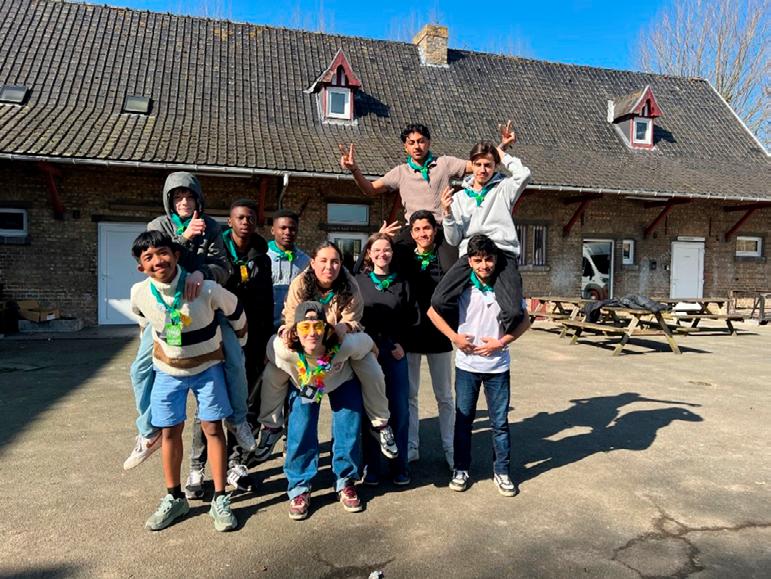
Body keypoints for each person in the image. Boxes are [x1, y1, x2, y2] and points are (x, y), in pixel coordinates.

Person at [124, 173, 255, 471]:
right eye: (178, 197)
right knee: (140, 369)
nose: (184, 202)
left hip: (204, 308)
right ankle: (148, 432)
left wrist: (202, 273)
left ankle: (237, 420)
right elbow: (157, 261)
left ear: (198, 199)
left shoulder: (211, 226)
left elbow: (223, 268)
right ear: (169, 201)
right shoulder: (158, 226)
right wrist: (184, 238)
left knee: (236, 360)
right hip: (169, 310)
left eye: (189, 196)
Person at [129, 230, 245, 531]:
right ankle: (174, 498)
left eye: (163, 253)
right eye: (148, 257)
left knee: (213, 429)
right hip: (168, 371)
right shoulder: (139, 292)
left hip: (208, 368)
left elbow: (235, 309)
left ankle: (219, 497)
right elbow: (142, 317)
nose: (158, 261)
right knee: (169, 432)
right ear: (141, 267)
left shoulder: (205, 287)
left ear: (176, 255)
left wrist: (241, 338)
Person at [253, 241, 398, 462]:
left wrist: (345, 328)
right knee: (275, 367)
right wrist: (291, 337)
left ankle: (380, 424)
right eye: (323, 261)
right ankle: (271, 428)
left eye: (335, 261)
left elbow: (353, 320)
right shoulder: (301, 283)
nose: (329, 267)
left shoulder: (349, 284)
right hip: (304, 347)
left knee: (370, 365)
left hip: (337, 345)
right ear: (312, 263)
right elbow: (290, 319)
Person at [428, 235, 530, 497]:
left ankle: (502, 472)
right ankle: (461, 469)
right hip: (467, 365)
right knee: (464, 422)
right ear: (469, 262)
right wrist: (454, 337)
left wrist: (501, 342)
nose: (484, 265)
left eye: (488, 259)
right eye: (478, 260)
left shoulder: (506, 287)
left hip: (498, 366)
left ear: (496, 259)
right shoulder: (463, 286)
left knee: (500, 423)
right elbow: (432, 312)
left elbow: (525, 321)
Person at [186, 199, 274, 496]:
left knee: (242, 403)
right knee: (207, 405)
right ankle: (197, 467)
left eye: (251, 218)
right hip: (212, 335)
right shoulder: (213, 249)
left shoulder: (262, 257)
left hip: (248, 337)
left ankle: (236, 464)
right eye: (240, 217)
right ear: (231, 221)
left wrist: (263, 342)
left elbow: (265, 303)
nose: (246, 222)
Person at [267, 301, 376, 520]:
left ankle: (345, 480)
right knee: (301, 425)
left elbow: (365, 342)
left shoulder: (344, 344)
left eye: (317, 326)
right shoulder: (285, 348)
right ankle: (299, 486)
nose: (312, 333)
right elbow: (271, 354)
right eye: (305, 327)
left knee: (348, 422)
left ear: (326, 329)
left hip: (341, 375)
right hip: (307, 380)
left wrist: (373, 350)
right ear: (295, 331)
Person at [432, 128, 531, 337]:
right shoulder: (459, 198)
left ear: (495, 166)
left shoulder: (503, 188)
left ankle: (496, 339)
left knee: (514, 312)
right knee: (439, 299)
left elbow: (524, 174)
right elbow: (453, 239)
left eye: (488, 165)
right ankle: (463, 330)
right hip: (471, 255)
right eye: (478, 164)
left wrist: (502, 152)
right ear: (472, 165)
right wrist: (447, 213)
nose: (483, 170)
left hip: (502, 252)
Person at [339, 123, 470, 269]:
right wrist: (354, 170)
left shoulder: (444, 163)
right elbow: (370, 189)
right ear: (405, 147)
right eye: (411, 143)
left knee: (453, 268)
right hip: (413, 229)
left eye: (421, 141)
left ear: (428, 142)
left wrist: (495, 154)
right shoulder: (400, 172)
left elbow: (478, 165)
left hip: (441, 228)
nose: (416, 146)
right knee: (393, 260)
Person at [355, 233, 416, 486]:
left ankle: (399, 466)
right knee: (372, 410)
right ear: (368, 254)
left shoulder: (403, 282)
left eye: (387, 249)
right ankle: (372, 467)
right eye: (377, 250)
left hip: (394, 352)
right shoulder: (358, 282)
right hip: (367, 353)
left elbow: (413, 317)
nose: (382, 254)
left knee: (399, 410)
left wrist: (404, 344)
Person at [400, 210, 455, 469]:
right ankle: (412, 447)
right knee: (410, 395)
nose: (423, 233)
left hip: (439, 335)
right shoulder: (404, 258)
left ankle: (450, 447)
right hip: (411, 334)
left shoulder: (446, 256)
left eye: (427, 228)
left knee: (444, 396)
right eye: (417, 229)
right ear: (411, 233)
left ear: (435, 230)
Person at [267, 209, 311, 330]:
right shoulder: (261, 258)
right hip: (264, 325)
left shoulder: (305, 261)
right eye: (283, 228)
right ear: (273, 230)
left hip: (294, 326)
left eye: (292, 229)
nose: (288, 232)